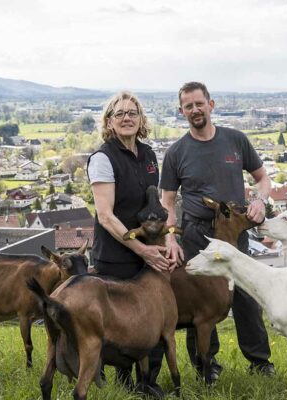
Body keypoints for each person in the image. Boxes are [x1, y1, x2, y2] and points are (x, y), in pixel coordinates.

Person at [159, 81, 275, 382]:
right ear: (181, 111)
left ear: (211, 105)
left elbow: (263, 179)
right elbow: (168, 202)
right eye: (188, 106)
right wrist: (170, 236)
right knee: (199, 301)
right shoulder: (176, 153)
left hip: (234, 233)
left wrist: (260, 201)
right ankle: (206, 367)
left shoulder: (235, 140)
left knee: (247, 296)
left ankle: (260, 363)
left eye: (199, 103)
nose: (195, 110)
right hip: (197, 235)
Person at [86, 91, 171, 396]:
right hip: (116, 256)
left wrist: (168, 238)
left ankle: (148, 383)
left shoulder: (148, 155)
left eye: (132, 113)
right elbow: (106, 217)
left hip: (147, 252)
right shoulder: (102, 159)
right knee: (123, 328)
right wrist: (142, 250)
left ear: (141, 119)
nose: (127, 118)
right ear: (109, 121)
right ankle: (122, 387)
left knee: (156, 322)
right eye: (119, 113)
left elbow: (155, 206)